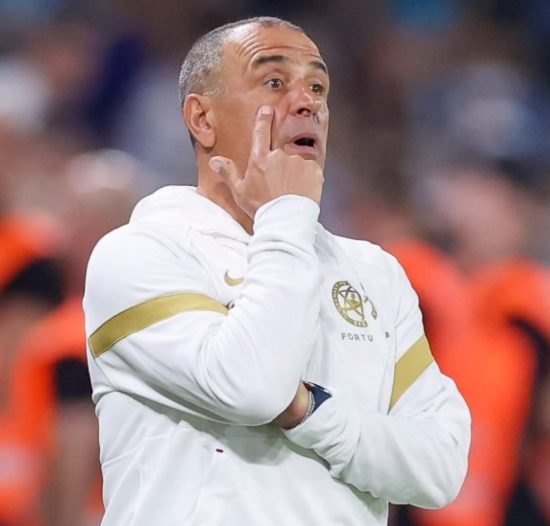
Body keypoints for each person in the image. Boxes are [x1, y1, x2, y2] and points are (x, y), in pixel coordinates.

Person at [83, 17, 471, 526]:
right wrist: (286, 211)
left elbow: (440, 469)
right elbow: (254, 390)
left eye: (318, 87)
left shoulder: (374, 273)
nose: (306, 102)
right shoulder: (139, 254)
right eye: (273, 81)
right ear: (202, 118)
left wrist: (311, 410)